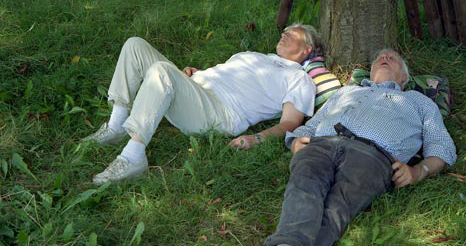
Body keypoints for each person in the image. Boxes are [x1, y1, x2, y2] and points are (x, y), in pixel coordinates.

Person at [239, 48, 457, 246]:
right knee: (304, 187)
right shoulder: (346, 92)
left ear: (404, 78)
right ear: (371, 71)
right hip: (322, 144)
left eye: (392, 58)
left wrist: (419, 171)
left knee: (337, 207)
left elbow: (441, 146)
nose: (384, 57)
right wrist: (297, 141)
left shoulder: (419, 102)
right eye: (379, 58)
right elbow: (310, 125)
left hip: (372, 156)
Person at [84, 23, 321, 185]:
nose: (285, 33)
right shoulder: (255, 56)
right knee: (135, 44)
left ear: (307, 49)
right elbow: (226, 75)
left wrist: (256, 138)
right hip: (198, 90)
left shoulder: (299, 79)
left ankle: (133, 156)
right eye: (285, 30)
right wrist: (193, 75)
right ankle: (116, 125)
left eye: (293, 34)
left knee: (161, 71)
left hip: (220, 112)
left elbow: (290, 122)